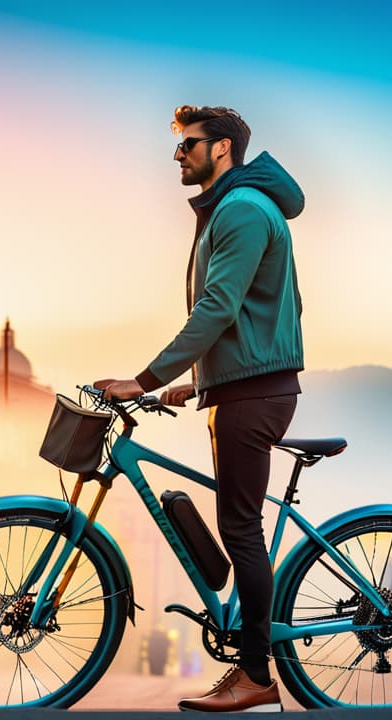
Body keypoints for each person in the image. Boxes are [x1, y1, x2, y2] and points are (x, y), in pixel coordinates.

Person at [94, 105, 304, 713]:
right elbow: (252, 315)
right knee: (240, 527)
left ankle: (257, 676)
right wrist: (196, 382)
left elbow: (217, 308)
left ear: (223, 150)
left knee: (241, 531)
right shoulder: (233, 208)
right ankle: (249, 665)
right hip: (243, 388)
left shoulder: (239, 210)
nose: (179, 154)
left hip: (255, 396)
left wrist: (144, 378)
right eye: (178, 145)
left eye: (189, 144)